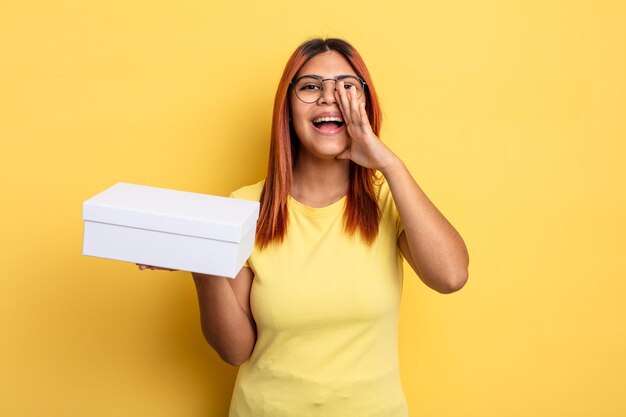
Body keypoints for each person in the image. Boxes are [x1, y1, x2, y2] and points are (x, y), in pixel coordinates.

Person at [140, 37, 469, 417]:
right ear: (288, 109)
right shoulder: (245, 207)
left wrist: (389, 164)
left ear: (366, 103)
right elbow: (235, 350)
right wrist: (204, 262)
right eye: (311, 87)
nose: (330, 98)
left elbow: (451, 276)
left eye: (346, 86)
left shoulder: (388, 199)